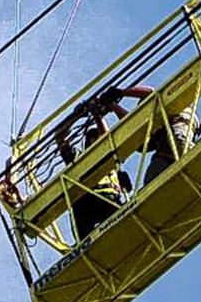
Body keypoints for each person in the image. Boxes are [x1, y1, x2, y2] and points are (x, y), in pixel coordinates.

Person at [53, 84, 151, 241]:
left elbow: (106, 138)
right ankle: (84, 245)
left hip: (108, 198)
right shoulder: (78, 157)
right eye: (92, 137)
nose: (95, 139)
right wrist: (77, 116)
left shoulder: (111, 156)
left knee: (123, 229)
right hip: (88, 201)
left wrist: (98, 115)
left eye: (96, 136)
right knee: (87, 234)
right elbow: (59, 136)